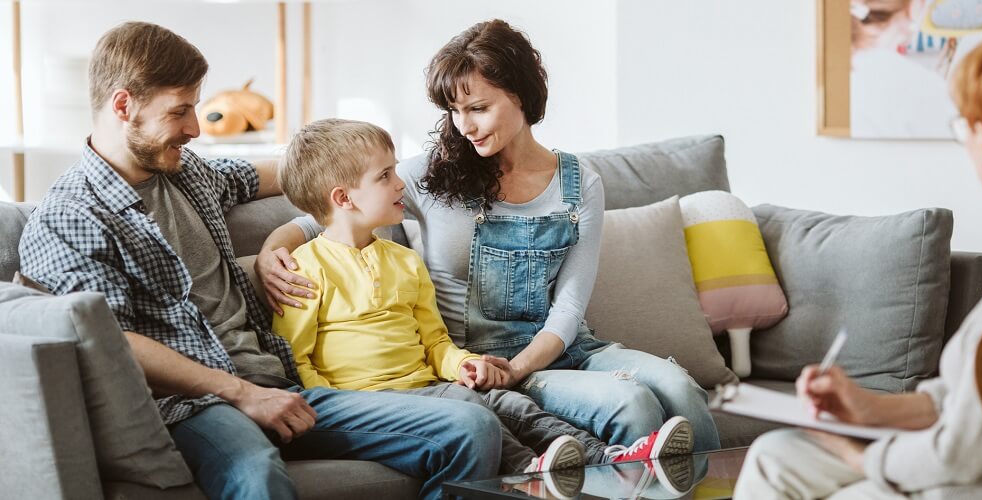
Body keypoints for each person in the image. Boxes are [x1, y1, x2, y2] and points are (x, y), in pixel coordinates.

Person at [17, 22, 503, 500]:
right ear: (124, 105)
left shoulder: (189, 176)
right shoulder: (71, 217)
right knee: (255, 473)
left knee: (472, 427)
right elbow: (111, 342)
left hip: (289, 385)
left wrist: (278, 242)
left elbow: (295, 175)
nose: (193, 128)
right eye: (180, 111)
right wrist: (241, 393)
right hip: (199, 406)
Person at [257, 18, 718, 459]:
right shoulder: (431, 174)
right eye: (455, 112)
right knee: (632, 404)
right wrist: (270, 250)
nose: (465, 127)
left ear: (521, 95)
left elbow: (570, 308)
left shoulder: (581, 183)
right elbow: (333, 211)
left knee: (681, 388)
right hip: (479, 361)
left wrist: (519, 369)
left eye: (478, 108)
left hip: (560, 350)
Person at [736, 36, 982, 499]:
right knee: (776, 455)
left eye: (965, 126)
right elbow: (976, 403)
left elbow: (957, 453)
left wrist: (857, 454)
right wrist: (867, 407)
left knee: (788, 467)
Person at [273, 117, 694, 475]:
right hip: (368, 403)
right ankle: (533, 467)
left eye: (395, 170)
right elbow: (297, 357)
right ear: (344, 198)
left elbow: (436, 343)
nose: (401, 181)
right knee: (479, 412)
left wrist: (466, 363)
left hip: (432, 385)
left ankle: (605, 459)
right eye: (385, 176)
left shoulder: (403, 261)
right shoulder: (305, 271)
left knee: (512, 405)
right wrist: (340, 404)